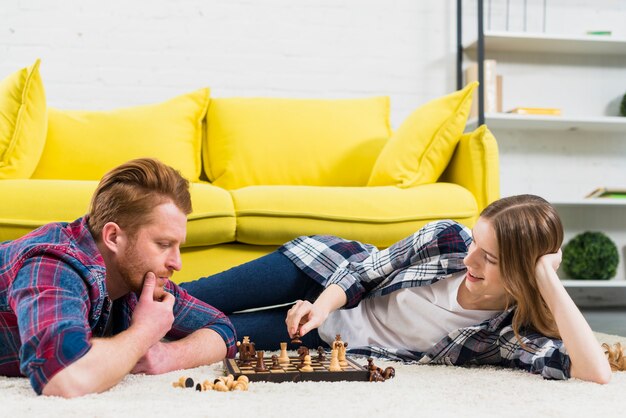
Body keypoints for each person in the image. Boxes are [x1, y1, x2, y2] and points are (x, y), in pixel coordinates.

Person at [181, 194, 620, 383]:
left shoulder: (507, 335)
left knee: (201, 331)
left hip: (323, 339)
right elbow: (365, 270)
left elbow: (594, 373)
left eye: (488, 258)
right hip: (320, 273)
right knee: (193, 298)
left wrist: (547, 276)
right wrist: (319, 304)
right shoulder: (447, 238)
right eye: (476, 243)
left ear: (524, 275)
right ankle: (109, 303)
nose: (470, 260)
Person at [0, 158, 236, 397]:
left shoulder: (138, 276)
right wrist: (145, 331)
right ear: (113, 237)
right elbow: (65, 377)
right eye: (163, 244)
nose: (177, 263)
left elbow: (222, 329)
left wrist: (168, 356)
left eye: (177, 246)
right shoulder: (52, 265)